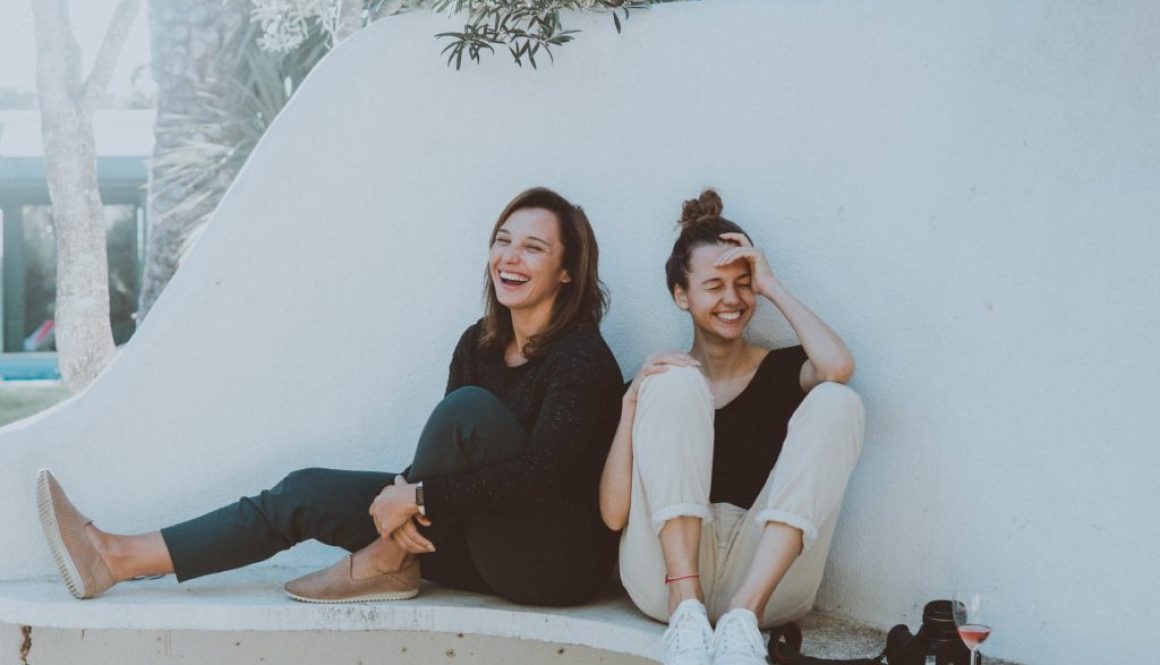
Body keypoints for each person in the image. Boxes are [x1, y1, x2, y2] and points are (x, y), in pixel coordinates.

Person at [38, 187, 624, 607]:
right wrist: (407, 496)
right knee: (304, 491)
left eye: (534, 248)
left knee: (464, 412)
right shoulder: (480, 342)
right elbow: (448, 461)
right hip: (478, 541)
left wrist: (415, 493)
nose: (510, 258)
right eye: (503, 240)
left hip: (551, 566)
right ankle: (115, 557)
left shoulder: (581, 356)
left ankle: (387, 562)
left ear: (568, 272)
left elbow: (547, 476)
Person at [599, 189, 865, 665]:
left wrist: (773, 286)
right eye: (714, 285)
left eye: (743, 284)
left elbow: (838, 366)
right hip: (665, 579)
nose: (732, 298)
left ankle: (742, 615)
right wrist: (629, 406)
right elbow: (614, 516)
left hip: (765, 580)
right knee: (675, 380)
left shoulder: (783, 370)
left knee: (837, 401)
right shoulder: (659, 383)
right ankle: (687, 607)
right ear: (681, 295)